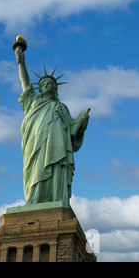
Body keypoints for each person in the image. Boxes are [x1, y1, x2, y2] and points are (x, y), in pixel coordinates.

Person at [15, 42, 90, 205]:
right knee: (36, 170)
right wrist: (22, 63)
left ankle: (57, 197)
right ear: (39, 89)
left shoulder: (61, 107)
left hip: (58, 147)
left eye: (50, 84)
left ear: (56, 89)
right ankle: (35, 199)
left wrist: (82, 122)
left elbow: (72, 132)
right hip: (36, 145)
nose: (47, 85)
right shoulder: (33, 101)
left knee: (57, 167)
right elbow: (25, 83)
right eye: (43, 84)